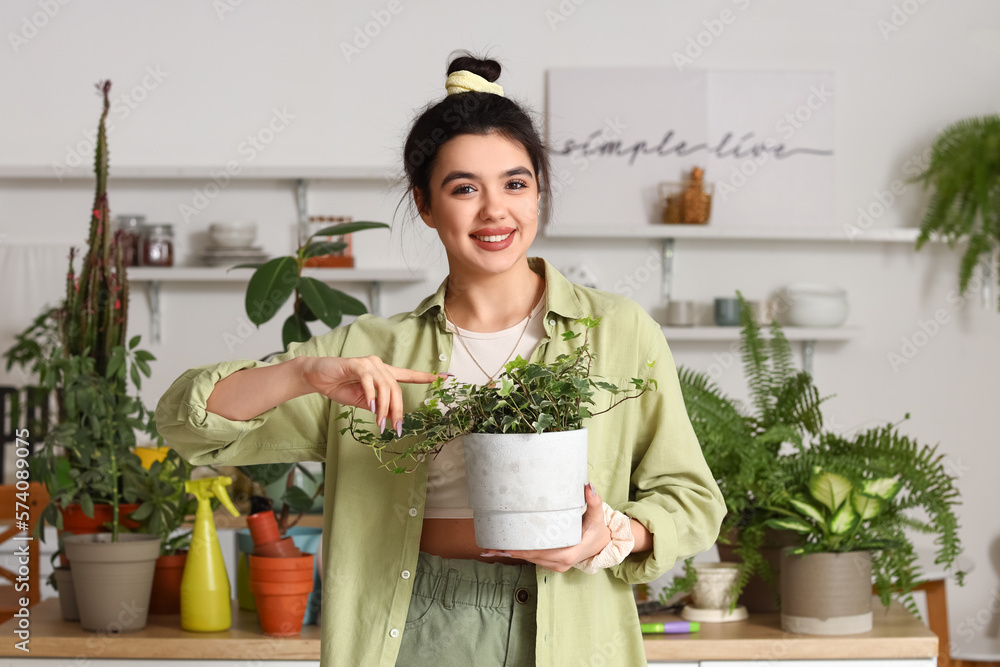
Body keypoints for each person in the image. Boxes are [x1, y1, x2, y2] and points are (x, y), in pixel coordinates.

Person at [156, 51, 725, 667]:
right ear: (426, 206)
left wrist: (614, 535)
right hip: (415, 624)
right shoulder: (370, 354)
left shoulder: (619, 332)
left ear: (539, 192)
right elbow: (187, 424)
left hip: (570, 622)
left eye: (515, 183)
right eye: (463, 189)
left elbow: (691, 499)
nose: (494, 211)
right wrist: (302, 373)